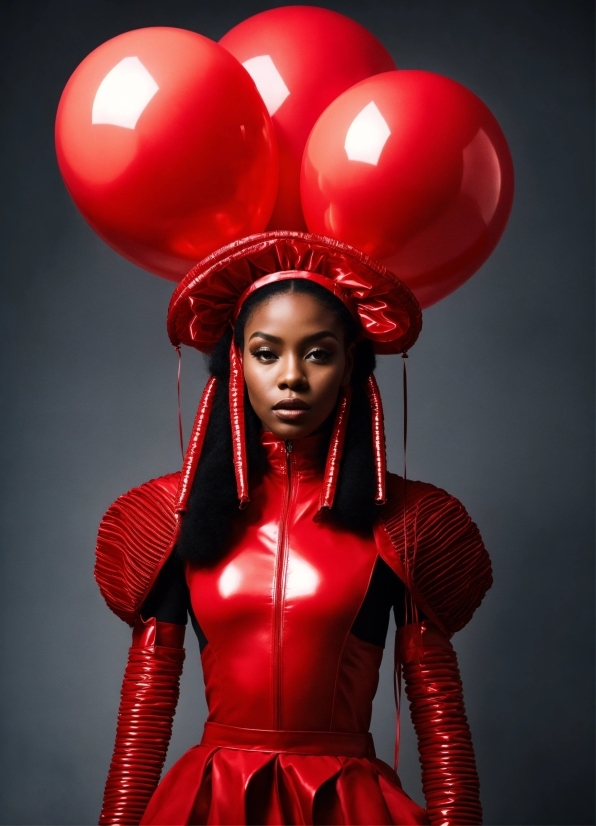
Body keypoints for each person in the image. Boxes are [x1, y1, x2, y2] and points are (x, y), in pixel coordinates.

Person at [95, 232, 492, 826]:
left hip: (348, 806)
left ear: (349, 364)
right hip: (211, 805)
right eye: (265, 352)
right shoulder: (168, 515)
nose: (290, 378)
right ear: (235, 361)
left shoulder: (410, 521)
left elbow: (437, 712)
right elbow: (147, 703)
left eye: (317, 353)